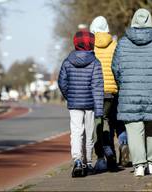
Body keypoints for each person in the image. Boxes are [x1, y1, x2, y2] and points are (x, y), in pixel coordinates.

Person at [112, 8, 152, 177]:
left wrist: (123, 84)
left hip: (130, 92)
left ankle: (139, 165)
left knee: (134, 129)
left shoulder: (123, 43)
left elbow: (115, 68)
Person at [58, 29, 104, 177]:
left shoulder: (67, 61)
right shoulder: (95, 62)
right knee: (89, 133)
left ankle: (77, 160)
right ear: (92, 43)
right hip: (90, 104)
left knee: (76, 132)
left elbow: (62, 82)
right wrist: (99, 109)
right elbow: (97, 87)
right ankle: (88, 162)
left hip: (74, 104)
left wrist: (69, 96)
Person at [90, 16, 129, 172]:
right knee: (118, 121)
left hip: (98, 90)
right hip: (115, 89)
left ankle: (108, 152)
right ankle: (124, 144)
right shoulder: (115, 45)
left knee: (103, 123)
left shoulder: (91, 46)